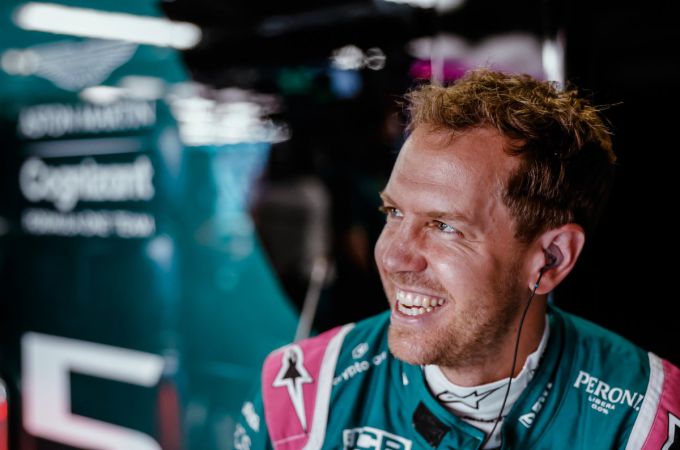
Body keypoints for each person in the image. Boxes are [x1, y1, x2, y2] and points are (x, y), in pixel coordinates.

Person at [234, 69, 680, 450]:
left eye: (445, 226)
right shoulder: (298, 395)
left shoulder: (645, 423)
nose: (394, 256)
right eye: (394, 212)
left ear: (551, 258)